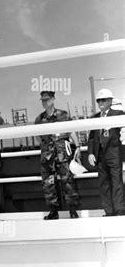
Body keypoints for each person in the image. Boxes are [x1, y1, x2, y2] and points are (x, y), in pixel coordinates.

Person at [34, 91, 80, 220]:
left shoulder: (63, 115)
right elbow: (38, 137)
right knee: (48, 183)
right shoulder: (39, 119)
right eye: (43, 100)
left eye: (47, 100)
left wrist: (77, 147)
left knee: (68, 181)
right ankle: (53, 211)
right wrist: (46, 148)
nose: (45, 102)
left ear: (53, 100)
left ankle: (72, 210)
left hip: (62, 154)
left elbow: (71, 132)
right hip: (47, 156)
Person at [87, 89, 124, 216]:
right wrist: (91, 153)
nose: (100, 103)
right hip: (100, 155)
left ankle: (120, 210)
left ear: (110, 101)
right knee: (104, 184)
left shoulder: (119, 114)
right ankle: (109, 211)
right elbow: (92, 137)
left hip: (114, 154)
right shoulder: (94, 118)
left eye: (103, 100)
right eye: (98, 100)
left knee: (117, 182)